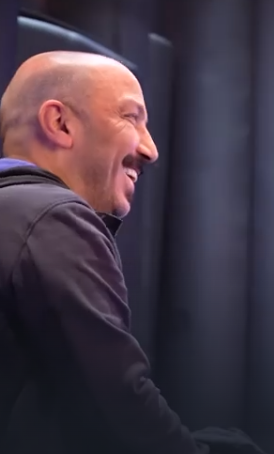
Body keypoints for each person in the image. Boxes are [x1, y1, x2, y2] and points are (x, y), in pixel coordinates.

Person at [0, 51, 249, 453]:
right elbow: (116, 408)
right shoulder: (52, 216)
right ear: (60, 123)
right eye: (131, 117)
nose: (150, 149)